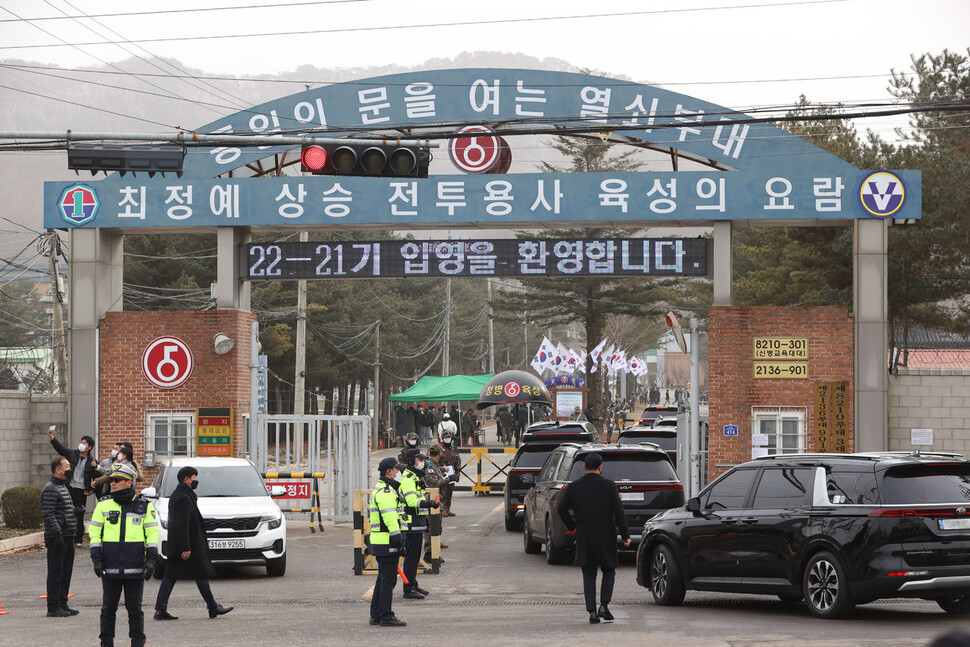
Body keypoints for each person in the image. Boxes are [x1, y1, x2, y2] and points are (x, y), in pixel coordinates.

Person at [556, 453, 631, 624]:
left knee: (589, 573)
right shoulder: (609, 486)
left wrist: (572, 525)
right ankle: (604, 606)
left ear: (584, 467)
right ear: (601, 467)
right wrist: (625, 535)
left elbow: (561, 508)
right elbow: (619, 512)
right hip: (606, 536)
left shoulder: (574, 487)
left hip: (584, 535)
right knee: (609, 570)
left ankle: (591, 612)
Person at [89, 463, 158, 647]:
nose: (113, 483)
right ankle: (106, 643)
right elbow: (94, 533)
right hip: (110, 566)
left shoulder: (144, 506)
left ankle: (137, 642)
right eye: (111, 480)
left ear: (130, 482)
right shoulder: (103, 505)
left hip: (135, 567)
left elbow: (152, 534)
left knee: (134, 610)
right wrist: (96, 558)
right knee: (107, 610)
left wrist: (151, 559)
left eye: (118, 480)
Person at [153, 466, 233, 621]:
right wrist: (186, 547)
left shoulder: (183, 494)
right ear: (186, 479)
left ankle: (211, 607)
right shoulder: (183, 497)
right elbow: (181, 524)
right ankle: (212, 607)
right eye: (194, 478)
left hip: (181, 545)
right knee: (182, 575)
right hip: (185, 546)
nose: (196, 481)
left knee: (180, 575)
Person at [368, 456, 408, 627]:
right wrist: (398, 538)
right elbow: (390, 517)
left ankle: (376, 614)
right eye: (397, 470)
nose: (399, 473)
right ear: (389, 472)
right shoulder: (386, 492)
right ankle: (386, 615)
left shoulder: (387, 489)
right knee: (388, 580)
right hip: (387, 541)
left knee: (382, 579)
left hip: (382, 540)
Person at [47, 425, 99, 546]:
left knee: (79, 513)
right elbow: (60, 449)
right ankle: (64, 535)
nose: (81, 444)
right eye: (81, 442)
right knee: (65, 511)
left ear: (90, 447)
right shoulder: (72, 454)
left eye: (84, 443)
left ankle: (78, 539)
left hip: (81, 490)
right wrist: (52, 438)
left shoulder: (92, 461)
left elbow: (96, 477)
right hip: (68, 487)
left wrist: (92, 490)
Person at [398, 449, 439, 599]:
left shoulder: (415, 476)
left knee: (415, 557)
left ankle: (413, 584)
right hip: (411, 522)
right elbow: (411, 502)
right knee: (411, 557)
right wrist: (428, 503)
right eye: (419, 460)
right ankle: (408, 588)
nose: (422, 462)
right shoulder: (408, 478)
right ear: (412, 461)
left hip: (418, 522)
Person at [41, 455, 78, 617]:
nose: (70, 469)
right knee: (56, 572)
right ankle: (53, 606)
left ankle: (63, 603)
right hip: (58, 537)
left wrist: (76, 512)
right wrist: (57, 535)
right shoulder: (50, 488)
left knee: (66, 572)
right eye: (67, 466)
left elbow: (61, 510)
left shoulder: (62, 486)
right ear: (58, 470)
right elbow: (48, 514)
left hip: (68, 535)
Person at [438, 431, 461, 517]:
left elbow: (458, 460)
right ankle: (442, 509)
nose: (447, 439)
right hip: (442, 472)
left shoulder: (454, 448)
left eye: (449, 437)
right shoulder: (439, 448)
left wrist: (457, 473)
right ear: (442, 438)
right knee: (443, 491)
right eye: (446, 437)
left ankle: (448, 509)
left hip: (451, 471)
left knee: (450, 491)